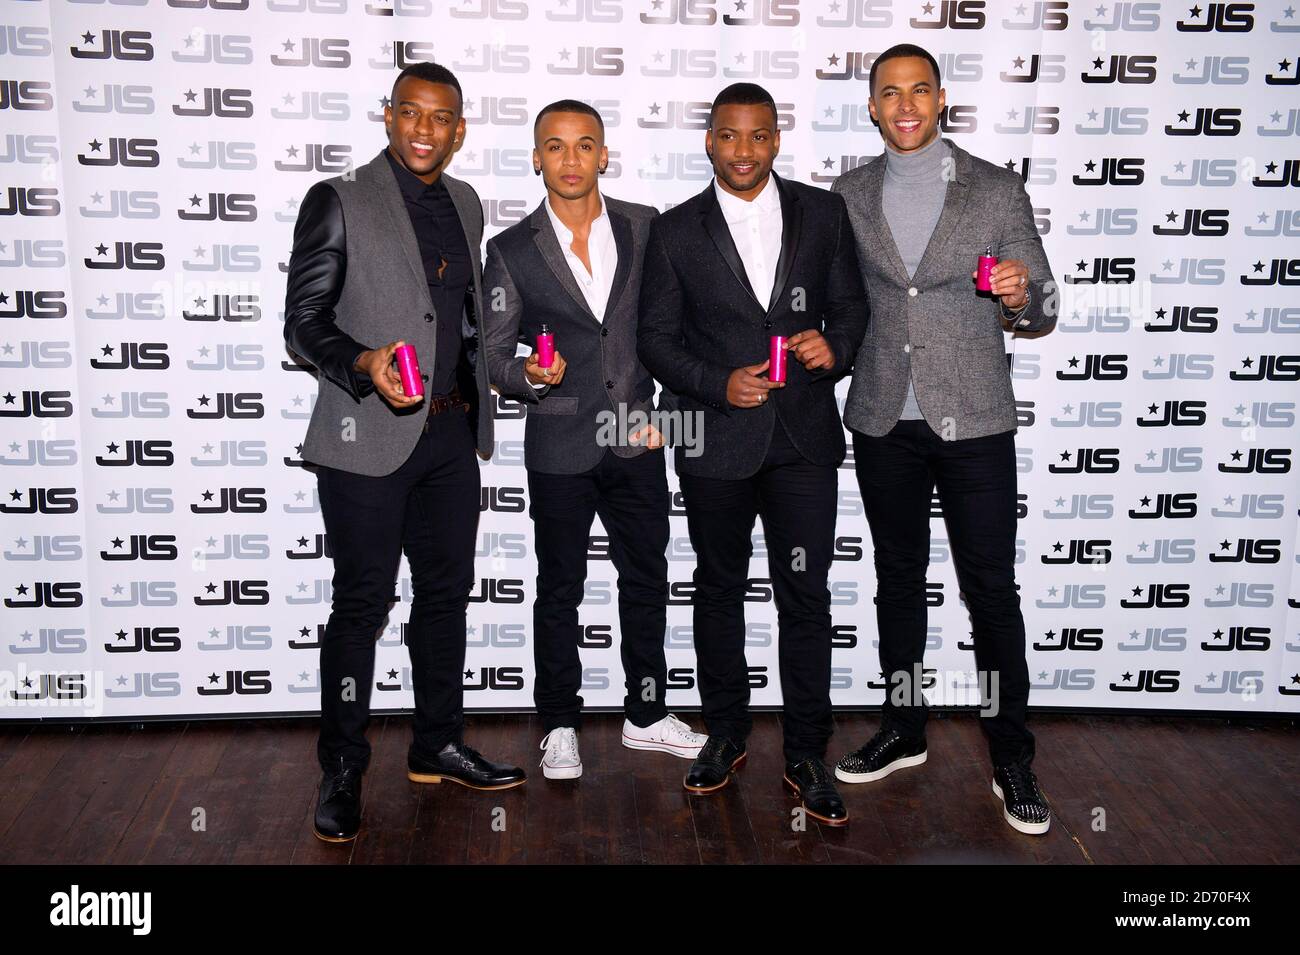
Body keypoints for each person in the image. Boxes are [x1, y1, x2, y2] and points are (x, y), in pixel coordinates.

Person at [284, 62, 526, 844]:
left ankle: (436, 741)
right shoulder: (338, 199)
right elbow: (303, 323)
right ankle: (344, 766)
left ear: (459, 129)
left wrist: (515, 375)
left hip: (452, 437)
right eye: (411, 114)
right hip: (366, 442)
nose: (425, 130)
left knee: (445, 597)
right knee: (361, 606)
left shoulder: (465, 202)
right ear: (388, 116)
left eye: (441, 118)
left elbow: (460, 323)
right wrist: (362, 363)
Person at [829, 43, 1058, 835]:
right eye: (888, 92)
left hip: (976, 420)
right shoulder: (847, 193)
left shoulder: (997, 186)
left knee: (989, 590)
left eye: (917, 90)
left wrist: (1022, 294)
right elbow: (843, 303)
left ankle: (1011, 755)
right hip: (885, 416)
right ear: (870, 105)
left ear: (940, 98)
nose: (904, 105)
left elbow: (1042, 299)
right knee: (898, 580)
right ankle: (903, 727)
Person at [638, 83, 868, 826]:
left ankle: (807, 751)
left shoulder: (823, 212)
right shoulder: (674, 231)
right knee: (718, 588)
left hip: (802, 440)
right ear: (710, 140)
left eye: (758, 135)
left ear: (776, 139)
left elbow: (853, 309)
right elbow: (655, 340)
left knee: (807, 596)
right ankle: (727, 733)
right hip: (715, 440)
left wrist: (834, 348)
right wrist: (717, 382)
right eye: (729, 136)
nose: (743, 150)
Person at [482, 100, 706, 780]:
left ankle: (645, 714)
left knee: (647, 579)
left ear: (604, 154)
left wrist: (663, 411)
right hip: (560, 443)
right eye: (556, 146)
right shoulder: (512, 250)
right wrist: (527, 374)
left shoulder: (646, 227)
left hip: (636, 436)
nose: (571, 159)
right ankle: (559, 724)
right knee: (560, 587)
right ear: (536, 157)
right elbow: (491, 357)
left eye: (584, 146)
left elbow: (675, 329)